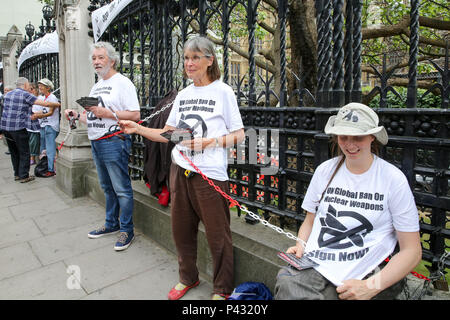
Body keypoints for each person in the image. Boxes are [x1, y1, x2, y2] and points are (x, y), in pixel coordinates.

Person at [119, 35, 245, 300]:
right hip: (180, 169)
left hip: (209, 174)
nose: (189, 63)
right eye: (186, 58)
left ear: (210, 60)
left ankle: (222, 288)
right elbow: (168, 134)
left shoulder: (223, 92)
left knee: (217, 235)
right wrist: (138, 128)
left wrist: (211, 142)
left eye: (195, 57)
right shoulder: (184, 94)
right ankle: (188, 277)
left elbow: (239, 134)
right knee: (181, 231)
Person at [274, 103, 422, 300]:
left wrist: (371, 286)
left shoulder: (392, 179)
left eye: (358, 137)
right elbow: (310, 220)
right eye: (343, 137)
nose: (350, 144)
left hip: (368, 267)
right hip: (321, 262)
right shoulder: (325, 171)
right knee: (287, 283)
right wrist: (301, 244)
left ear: (372, 136)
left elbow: (411, 250)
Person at [64, 41, 140, 251]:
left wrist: (109, 114)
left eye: (101, 58)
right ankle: (111, 224)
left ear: (112, 60)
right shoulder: (96, 85)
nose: (96, 62)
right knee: (107, 187)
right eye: (94, 58)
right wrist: (77, 115)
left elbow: (135, 114)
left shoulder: (123, 83)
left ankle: (127, 230)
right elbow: (93, 117)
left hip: (114, 140)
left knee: (121, 189)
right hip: (96, 140)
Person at [0, 77, 60, 182]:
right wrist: (58, 104)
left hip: (6, 128)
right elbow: (45, 104)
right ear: (25, 85)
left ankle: (17, 174)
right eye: (28, 85)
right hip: (18, 127)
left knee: (14, 152)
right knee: (24, 152)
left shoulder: (8, 94)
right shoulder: (25, 94)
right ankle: (24, 176)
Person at [31, 78, 60, 177]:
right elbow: (43, 111)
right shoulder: (44, 98)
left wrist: (38, 116)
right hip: (43, 125)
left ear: (48, 87)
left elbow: (50, 113)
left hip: (50, 125)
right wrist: (37, 115)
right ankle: (46, 166)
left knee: (50, 149)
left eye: (42, 86)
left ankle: (51, 169)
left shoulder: (52, 98)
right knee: (44, 149)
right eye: (39, 86)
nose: (40, 88)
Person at [26, 82, 41, 165]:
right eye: (29, 89)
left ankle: (33, 157)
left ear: (36, 90)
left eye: (31, 89)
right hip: (28, 123)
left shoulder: (39, 99)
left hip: (36, 124)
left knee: (34, 142)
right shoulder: (28, 98)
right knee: (30, 142)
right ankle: (31, 157)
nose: (30, 91)